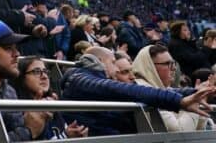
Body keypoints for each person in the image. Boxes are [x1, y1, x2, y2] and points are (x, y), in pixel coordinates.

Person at [60, 46, 216, 136]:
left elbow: (162, 90)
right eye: (113, 62)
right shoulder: (79, 78)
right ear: (99, 62)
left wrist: (193, 92)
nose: (116, 69)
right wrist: (180, 101)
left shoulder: (85, 77)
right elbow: (127, 90)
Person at [132, 44, 208, 132]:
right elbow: (179, 133)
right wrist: (194, 101)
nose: (174, 68)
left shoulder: (165, 89)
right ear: (150, 67)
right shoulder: (145, 90)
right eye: (168, 64)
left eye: (173, 63)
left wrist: (200, 99)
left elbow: (198, 131)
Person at [13, 56, 89, 140]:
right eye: (37, 72)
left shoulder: (52, 104)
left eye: (45, 71)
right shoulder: (16, 111)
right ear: (22, 78)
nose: (44, 76)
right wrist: (65, 137)